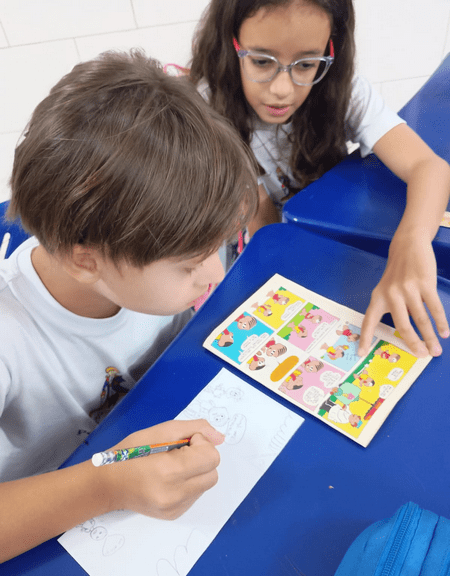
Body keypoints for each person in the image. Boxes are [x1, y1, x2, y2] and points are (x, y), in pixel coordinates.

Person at [0, 50, 259, 563]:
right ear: (87, 261)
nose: (215, 274)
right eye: (190, 265)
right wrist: (108, 486)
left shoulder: (137, 259)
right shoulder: (11, 337)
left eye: (219, 247)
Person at [189, 0, 450, 359]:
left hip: (327, 225)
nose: (282, 89)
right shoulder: (207, 106)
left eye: (306, 64)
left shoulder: (343, 89)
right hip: (262, 235)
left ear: (331, 49)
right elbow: (260, 215)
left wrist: (412, 240)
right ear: (230, 43)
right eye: (262, 61)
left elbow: (429, 166)